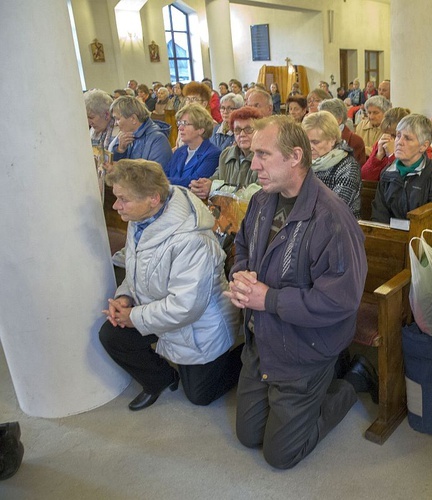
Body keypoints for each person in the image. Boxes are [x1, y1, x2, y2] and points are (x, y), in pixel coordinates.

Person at [228, 115, 367, 470]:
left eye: (263, 154)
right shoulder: (262, 200)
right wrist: (240, 275)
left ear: (294, 157)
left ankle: (351, 381)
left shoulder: (331, 218)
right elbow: (242, 244)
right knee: (247, 435)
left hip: (304, 346)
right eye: (253, 153)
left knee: (280, 455)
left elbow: (341, 300)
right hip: (263, 339)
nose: (252, 162)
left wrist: (268, 299)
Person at [99, 159, 242, 411]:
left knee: (200, 396)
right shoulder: (142, 217)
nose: (115, 205)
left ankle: (247, 358)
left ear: (153, 198)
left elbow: (187, 308)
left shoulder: (192, 240)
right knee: (111, 335)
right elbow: (136, 269)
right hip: (159, 307)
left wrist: (135, 317)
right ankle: (161, 379)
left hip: (201, 324)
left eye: (123, 199)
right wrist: (125, 298)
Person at [371, 114, 432, 236]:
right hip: (388, 240)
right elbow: (379, 216)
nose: (399, 142)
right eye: (398, 136)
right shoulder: (387, 172)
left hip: (419, 244)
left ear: (424, 146)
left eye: (407, 138)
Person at [190, 107, 263, 199]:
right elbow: (216, 177)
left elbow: (256, 193)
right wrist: (201, 186)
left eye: (248, 129)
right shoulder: (226, 154)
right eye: (237, 130)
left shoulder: (264, 158)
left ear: (259, 131)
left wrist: (213, 188)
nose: (242, 134)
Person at [301, 111, 361, 217]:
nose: (309, 147)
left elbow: (336, 206)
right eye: (306, 141)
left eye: (315, 142)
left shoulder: (348, 166)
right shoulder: (302, 163)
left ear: (332, 140)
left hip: (341, 227)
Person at [163, 104, 221, 187]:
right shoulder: (179, 151)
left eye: (185, 123)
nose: (180, 128)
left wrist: (164, 181)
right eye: (179, 123)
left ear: (201, 129)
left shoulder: (213, 154)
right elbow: (164, 175)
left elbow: (193, 182)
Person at [110, 96, 172, 169]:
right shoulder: (124, 135)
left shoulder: (158, 140)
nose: (115, 124)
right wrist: (120, 150)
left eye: (117, 119)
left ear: (133, 119)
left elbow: (155, 176)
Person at [361, 107, 411, 182]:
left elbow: (402, 180)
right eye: (386, 133)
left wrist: (392, 155)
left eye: (394, 135)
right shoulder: (380, 145)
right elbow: (365, 177)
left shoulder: (411, 148)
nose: (389, 139)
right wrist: (378, 156)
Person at [319, 98, 366, 166]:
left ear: (339, 120)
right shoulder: (317, 138)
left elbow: (357, 172)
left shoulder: (355, 141)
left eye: (325, 118)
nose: (320, 122)